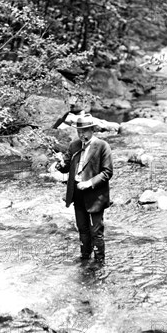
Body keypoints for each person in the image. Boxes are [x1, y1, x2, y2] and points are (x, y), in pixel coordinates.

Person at [55, 113, 113, 263]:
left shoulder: (102, 146)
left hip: (95, 196)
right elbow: (66, 166)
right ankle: (85, 258)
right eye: (79, 131)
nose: (82, 135)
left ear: (92, 130)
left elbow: (107, 172)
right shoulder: (74, 145)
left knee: (96, 232)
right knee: (82, 229)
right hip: (77, 194)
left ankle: (99, 262)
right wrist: (60, 164)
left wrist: (89, 183)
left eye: (85, 131)